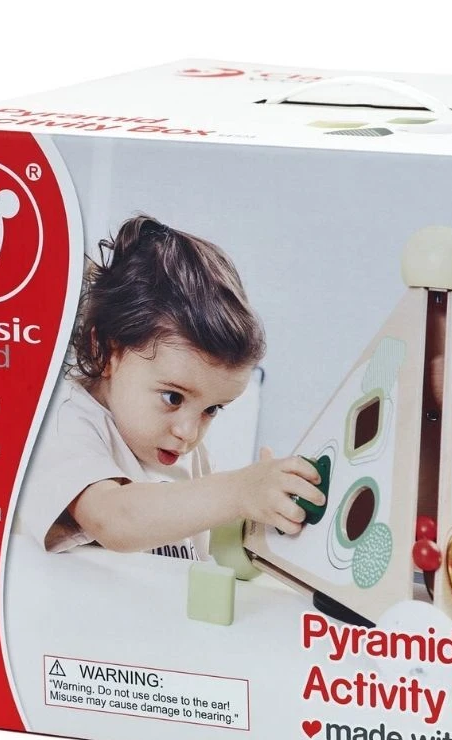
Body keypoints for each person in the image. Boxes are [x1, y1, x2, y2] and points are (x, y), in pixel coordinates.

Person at [19, 215, 323, 559]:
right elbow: (114, 519)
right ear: (104, 351)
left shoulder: (188, 455)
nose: (188, 433)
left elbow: (210, 552)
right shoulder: (59, 421)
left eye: (211, 409)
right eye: (173, 397)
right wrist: (239, 490)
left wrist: (259, 518)